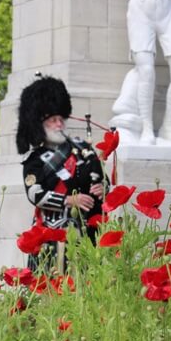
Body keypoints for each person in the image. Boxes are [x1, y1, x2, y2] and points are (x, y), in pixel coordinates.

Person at [16, 76, 108, 269]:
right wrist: (68, 200)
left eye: (61, 119)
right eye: (52, 120)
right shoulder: (34, 159)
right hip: (51, 232)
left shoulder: (83, 150)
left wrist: (103, 188)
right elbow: (35, 194)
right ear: (39, 124)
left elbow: (101, 178)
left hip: (85, 230)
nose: (59, 124)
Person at [123, 0, 171, 145]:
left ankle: (168, 127)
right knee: (146, 70)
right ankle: (146, 128)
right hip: (140, 7)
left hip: (167, 8)